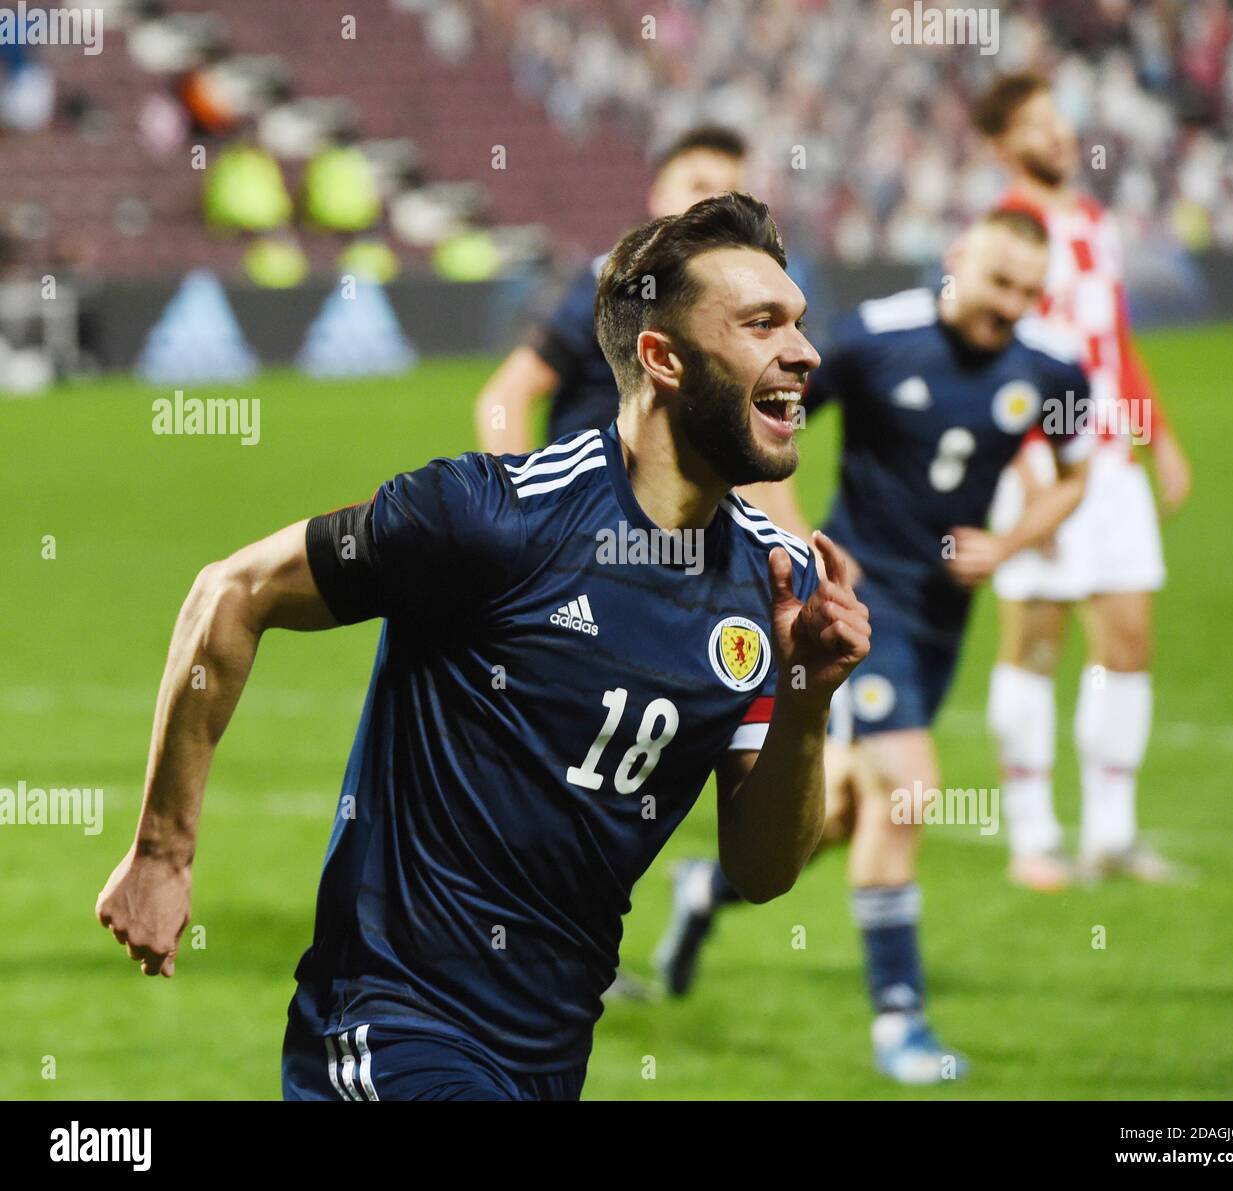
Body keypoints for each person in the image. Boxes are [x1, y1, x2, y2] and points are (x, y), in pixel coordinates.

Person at [95, 192, 871, 1101]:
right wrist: (162, 851)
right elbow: (232, 592)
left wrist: (807, 695)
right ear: (662, 358)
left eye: (800, 323)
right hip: (390, 1021)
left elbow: (764, 867)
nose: (805, 351)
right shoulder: (493, 519)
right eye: (761, 323)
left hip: (548, 1057)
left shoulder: (771, 586)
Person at [655, 210, 1094, 1085]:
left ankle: (707, 887)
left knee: (857, 812)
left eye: (1026, 289)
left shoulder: (1050, 367)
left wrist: (1008, 547)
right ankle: (901, 1020)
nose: (1009, 304)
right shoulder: (874, 339)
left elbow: (1080, 470)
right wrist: (796, 546)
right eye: (996, 281)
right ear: (955, 260)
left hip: (940, 620)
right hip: (860, 601)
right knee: (913, 789)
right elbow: (765, 419)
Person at [974, 72, 1192, 889]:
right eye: (1036, 125)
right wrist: (1030, 469)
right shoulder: (1003, 231)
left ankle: (1111, 834)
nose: (1058, 134)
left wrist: (1157, 434)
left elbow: (1115, 344)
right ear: (1003, 147)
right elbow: (998, 350)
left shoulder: (1093, 222)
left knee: (1129, 640)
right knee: (1033, 643)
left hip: (1110, 463)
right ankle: (1033, 836)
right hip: (1038, 464)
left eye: (1058, 117)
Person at [474, 125, 748, 454]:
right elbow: (506, 397)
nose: (713, 204)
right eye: (698, 187)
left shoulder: (741, 299)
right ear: (658, 198)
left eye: (729, 193)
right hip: (592, 499)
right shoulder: (614, 284)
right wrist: (517, 502)